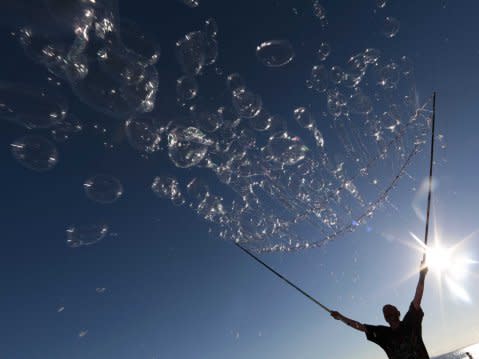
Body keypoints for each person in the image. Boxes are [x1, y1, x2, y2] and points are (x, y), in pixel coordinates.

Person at [330, 263, 429, 359]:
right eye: (385, 313)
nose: (386, 312)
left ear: (398, 312)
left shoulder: (410, 322)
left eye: (390, 309)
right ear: (385, 319)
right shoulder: (383, 334)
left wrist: (422, 276)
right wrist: (340, 317)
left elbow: (417, 299)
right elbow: (359, 326)